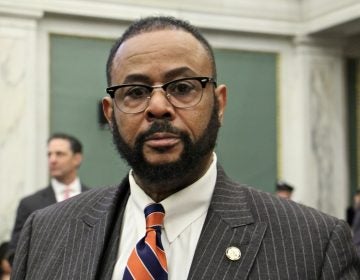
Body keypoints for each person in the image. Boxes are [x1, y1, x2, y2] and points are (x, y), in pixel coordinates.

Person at [11, 16, 360, 280]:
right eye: (135, 92)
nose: (159, 107)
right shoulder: (45, 233)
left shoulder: (313, 244)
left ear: (219, 104)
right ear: (110, 113)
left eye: (182, 88)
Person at [7, 133, 89, 264]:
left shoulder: (96, 200)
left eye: (59, 154)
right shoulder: (29, 204)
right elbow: (14, 253)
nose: (52, 160)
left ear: (77, 159)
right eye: (49, 154)